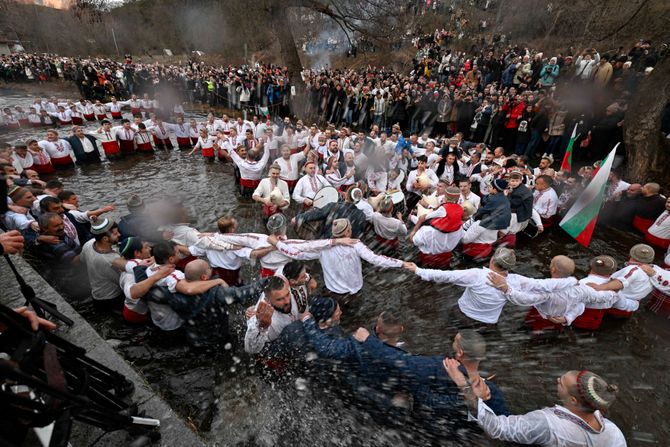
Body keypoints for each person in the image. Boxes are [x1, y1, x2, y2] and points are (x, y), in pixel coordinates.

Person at [403, 247, 576, 326]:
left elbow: (444, 276)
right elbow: (542, 285)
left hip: (463, 315)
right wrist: (572, 281)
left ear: (492, 260)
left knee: (451, 333)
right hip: (488, 323)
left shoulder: (476, 275)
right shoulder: (517, 281)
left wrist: (417, 269)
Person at [454, 368, 626, 446]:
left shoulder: (547, 423)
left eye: (561, 383)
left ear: (573, 400)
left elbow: (498, 428)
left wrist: (464, 386)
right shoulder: (614, 433)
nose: (557, 380)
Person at [271, 218, 403, 303]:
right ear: (346, 233)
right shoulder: (356, 244)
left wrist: (277, 244)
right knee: (353, 320)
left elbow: (297, 253)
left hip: (333, 294)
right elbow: (376, 259)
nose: (351, 230)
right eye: (350, 229)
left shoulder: (322, 248)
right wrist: (400, 263)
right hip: (353, 294)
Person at [486, 255, 619, 333]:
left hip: (539, 318)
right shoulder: (581, 288)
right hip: (558, 321)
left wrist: (505, 288)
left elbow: (524, 299)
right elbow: (599, 297)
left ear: (552, 269)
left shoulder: (545, 290)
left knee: (530, 334)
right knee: (549, 337)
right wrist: (614, 293)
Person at [589, 244, 655, 317]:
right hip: (631, 307)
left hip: (617, 304)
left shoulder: (634, 270)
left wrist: (601, 287)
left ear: (630, 254)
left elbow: (621, 282)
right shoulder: (655, 272)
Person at [409, 186, 464, 267]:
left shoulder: (427, 231)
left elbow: (415, 240)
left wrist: (414, 230)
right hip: (445, 261)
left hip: (428, 261)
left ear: (445, 197)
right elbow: (440, 212)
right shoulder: (460, 230)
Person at [244, 276, 297, 355]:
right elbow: (250, 349)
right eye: (280, 299)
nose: (287, 301)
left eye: (287, 294)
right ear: (267, 300)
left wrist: (309, 279)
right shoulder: (260, 316)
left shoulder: (288, 285)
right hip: (276, 350)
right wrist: (262, 327)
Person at [79, 218, 124, 309]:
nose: (119, 234)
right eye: (115, 234)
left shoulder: (89, 244)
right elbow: (121, 281)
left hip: (97, 293)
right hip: (111, 298)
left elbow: (82, 260)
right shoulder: (110, 260)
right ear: (105, 238)